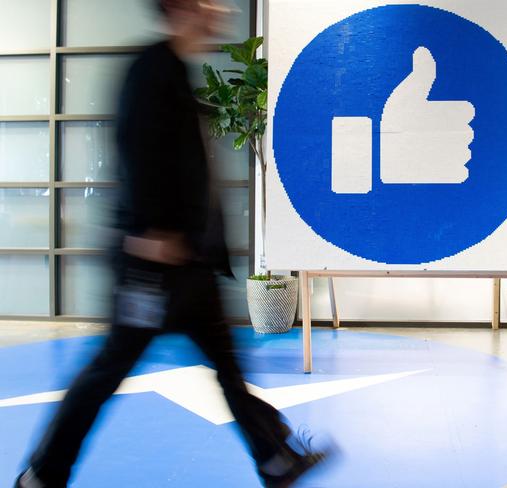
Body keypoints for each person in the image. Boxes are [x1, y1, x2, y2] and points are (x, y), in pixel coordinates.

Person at [15, 1, 332, 486]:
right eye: (206, 4)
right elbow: (134, 149)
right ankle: (43, 473)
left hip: (189, 266)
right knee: (107, 371)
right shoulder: (150, 70)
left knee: (228, 369)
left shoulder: (176, 73)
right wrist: (147, 236)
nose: (218, 11)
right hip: (152, 267)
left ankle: (275, 458)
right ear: (181, 9)